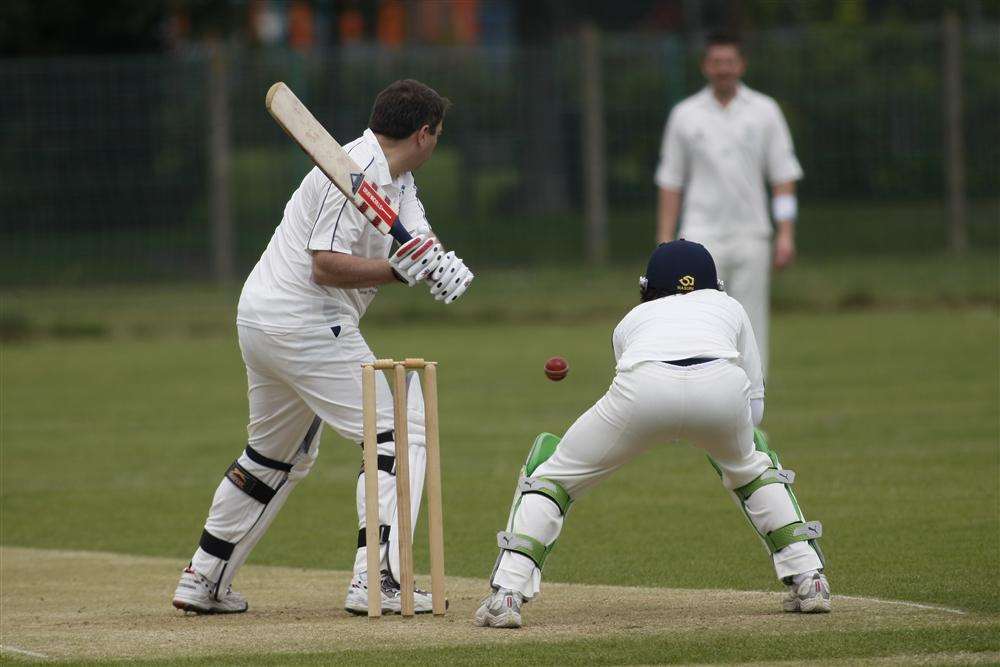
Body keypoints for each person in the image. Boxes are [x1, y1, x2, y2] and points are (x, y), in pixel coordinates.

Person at [172, 79, 473, 615]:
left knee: (274, 455)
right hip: (305, 319)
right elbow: (325, 264)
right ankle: (377, 580)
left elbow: (415, 240)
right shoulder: (350, 169)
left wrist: (438, 265)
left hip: (267, 319)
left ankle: (203, 576)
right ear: (424, 134)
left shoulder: (398, 182)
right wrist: (394, 272)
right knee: (400, 430)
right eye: (439, 134)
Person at [474, 240, 829, 629]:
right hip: (721, 392)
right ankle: (809, 578)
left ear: (647, 286)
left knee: (551, 470)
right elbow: (755, 410)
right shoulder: (732, 308)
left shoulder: (630, 320)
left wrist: (667, 419)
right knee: (751, 463)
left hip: (643, 392)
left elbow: (633, 384)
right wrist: (722, 441)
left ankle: (507, 593)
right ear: (715, 283)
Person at [655, 32, 803, 375]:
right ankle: (700, 392)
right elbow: (670, 181)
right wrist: (665, 237)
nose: (724, 69)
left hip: (752, 232)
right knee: (699, 319)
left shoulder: (765, 111)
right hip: (700, 235)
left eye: (730, 62)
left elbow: (783, 177)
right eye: (717, 62)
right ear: (706, 67)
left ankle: (752, 404)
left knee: (750, 321)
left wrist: (785, 234)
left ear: (741, 65)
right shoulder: (685, 114)